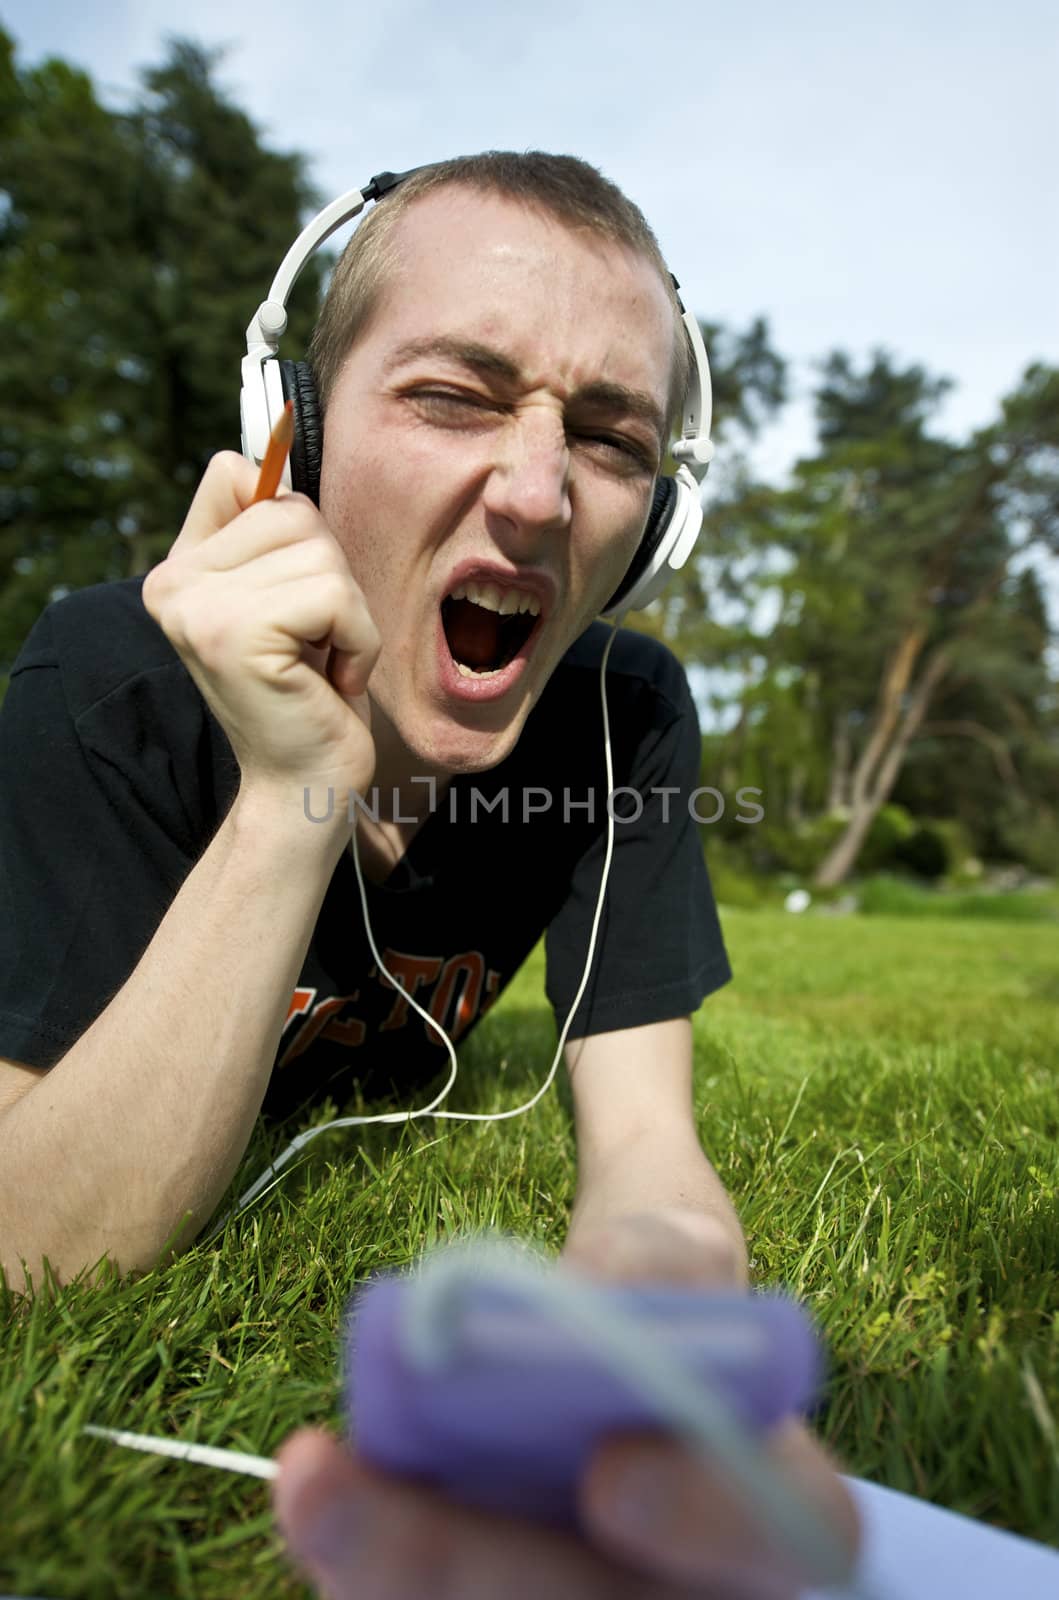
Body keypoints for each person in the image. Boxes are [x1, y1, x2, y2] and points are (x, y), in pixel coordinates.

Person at [0, 152, 860, 1593]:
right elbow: (29, 1254)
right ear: (297, 435)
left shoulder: (620, 716)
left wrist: (639, 1375)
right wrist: (295, 792)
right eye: (453, 397)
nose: (534, 494)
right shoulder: (107, 684)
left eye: (608, 437)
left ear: (659, 519)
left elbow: (649, 1152)